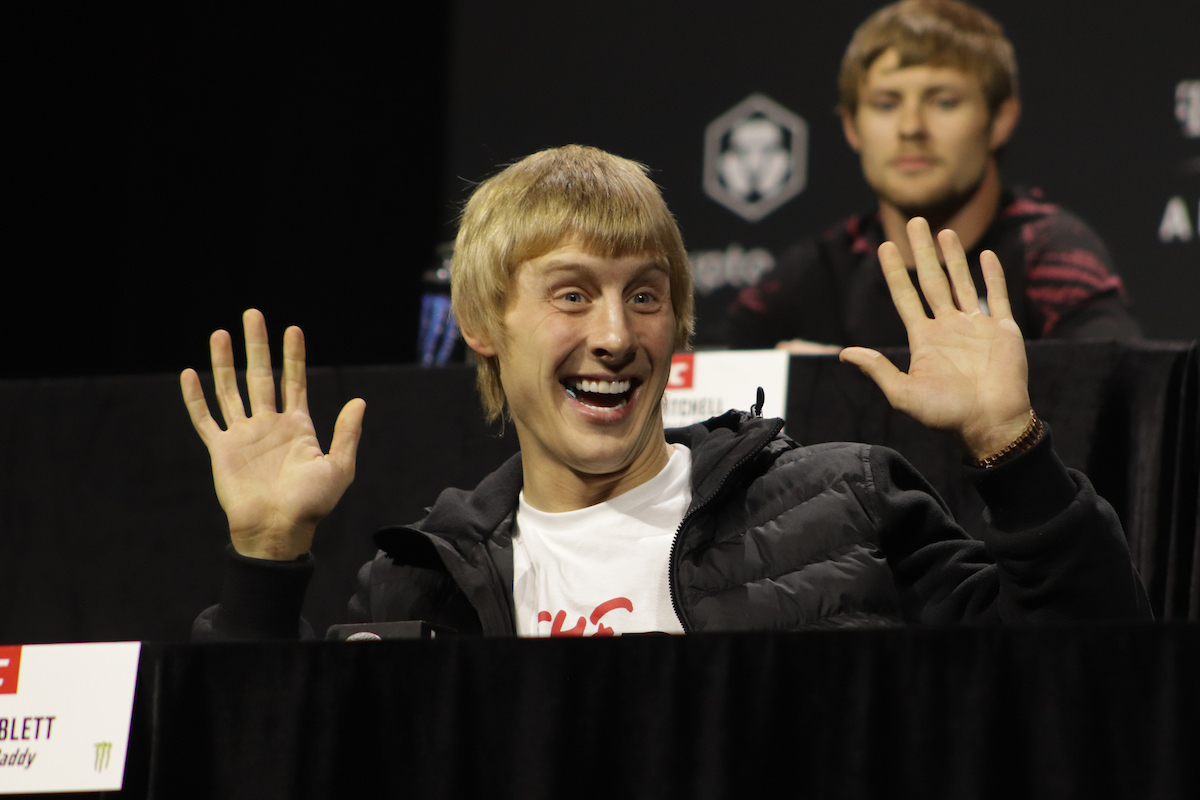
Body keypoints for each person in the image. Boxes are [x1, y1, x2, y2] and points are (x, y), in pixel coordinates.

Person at [186, 145, 1148, 641]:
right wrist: (266, 563)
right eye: (572, 294)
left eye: (646, 294)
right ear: (482, 324)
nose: (616, 334)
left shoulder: (848, 503)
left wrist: (1011, 445)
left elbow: (1094, 686)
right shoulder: (417, 587)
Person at [724, 0, 1140, 354]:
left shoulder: (1049, 255)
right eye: (886, 104)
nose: (910, 127)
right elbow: (697, 393)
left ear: (1000, 119)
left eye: (943, 101)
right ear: (851, 126)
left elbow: (1118, 402)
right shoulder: (818, 271)